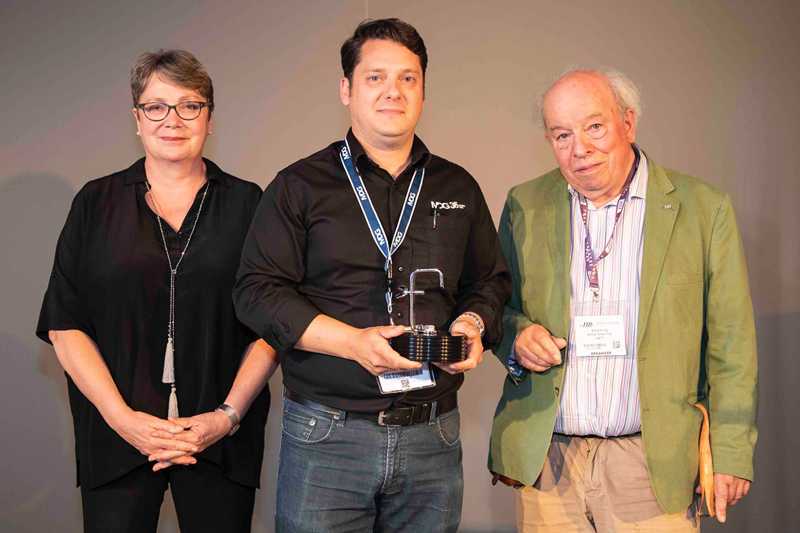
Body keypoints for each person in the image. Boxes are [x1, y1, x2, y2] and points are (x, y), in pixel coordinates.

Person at [234, 18, 510, 533]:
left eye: (408, 78)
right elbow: (257, 291)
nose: (393, 91)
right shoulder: (299, 186)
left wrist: (472, 324)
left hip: (433, 436)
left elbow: (490, 281)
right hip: (328, 436)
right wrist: (352, 343)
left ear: (424, 90)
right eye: (375, 77)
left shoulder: (458, 185)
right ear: (346, 88)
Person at [488, 69, 757, 532]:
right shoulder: (525, 204)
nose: (579, 149)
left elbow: (731, 344)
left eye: (594, 127)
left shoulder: (702, 208)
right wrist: (516, 337)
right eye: (562, 134)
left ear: (628, 124)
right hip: (551, 460)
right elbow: (494, 306)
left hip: (652, 463)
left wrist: (732, 451)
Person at [36, 49, 277, 533]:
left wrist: (225, 417)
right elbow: (66, 325)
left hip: (219, 441)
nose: (173, 119)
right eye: (156, 106)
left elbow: (274, 323)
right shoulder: (95, 202)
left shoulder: (251, 204)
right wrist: (124, 419)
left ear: (209, 119)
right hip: (115, 438)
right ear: (137, 118)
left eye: (190, 105)